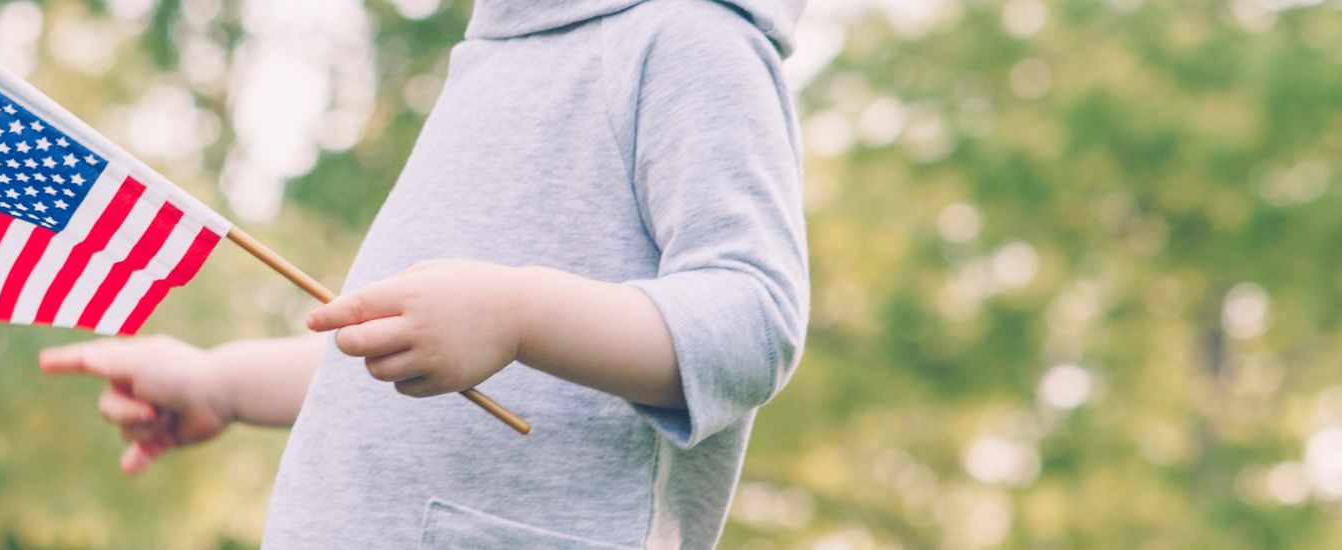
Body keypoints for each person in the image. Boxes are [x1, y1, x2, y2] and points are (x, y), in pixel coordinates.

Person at [41, 0, 808, 546]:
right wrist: (223, 383)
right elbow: (410, 360)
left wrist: (519, 316)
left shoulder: (690, 39)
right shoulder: (496, 57)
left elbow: (755, 319)